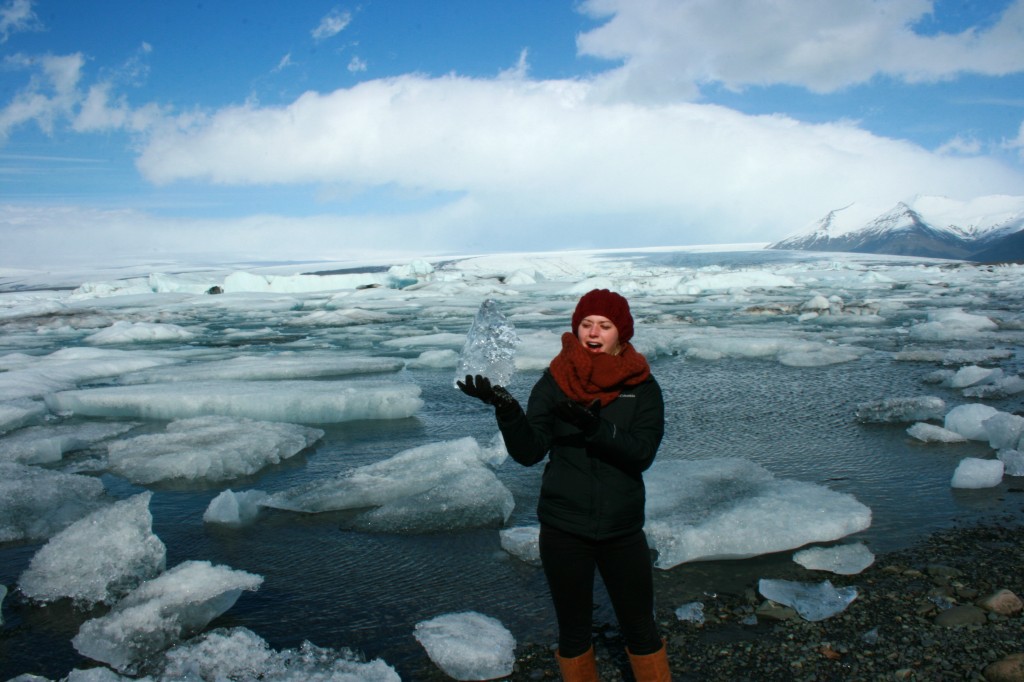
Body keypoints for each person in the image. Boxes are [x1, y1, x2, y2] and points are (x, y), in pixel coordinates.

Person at [458, 289, 671, 682]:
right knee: (574, 633)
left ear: (620, 333)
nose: (593, 332)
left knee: (641, 629)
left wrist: (595, 427)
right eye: (586, 324)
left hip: (622, 530)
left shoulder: (642, 387)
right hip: (563, 528)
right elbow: (529, 451)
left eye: (604, 326)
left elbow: (642, 453)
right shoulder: (554, 382)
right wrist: (506, 408)